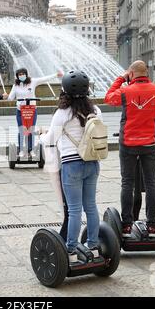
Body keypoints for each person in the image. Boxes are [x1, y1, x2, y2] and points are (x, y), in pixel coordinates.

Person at [39, 71, 102, 264]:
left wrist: (41, 135)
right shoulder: (96, 110)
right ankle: (94, 246)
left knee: (74, 210)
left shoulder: (63, 113)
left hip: (71, 164)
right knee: (90, 206)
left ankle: (71, 250)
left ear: (64, 90)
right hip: (92, 162)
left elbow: (51, 139)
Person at [104, 60, 155, 238]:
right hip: (149, 144)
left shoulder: (124, 91)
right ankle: (153, 224)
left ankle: (126, 224)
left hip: (129, 144)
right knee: (150, 183)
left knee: (127, 183)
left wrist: (121, 79)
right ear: (146, 72)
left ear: (131, 74)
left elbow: (108, 97)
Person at [8, 68, 63, 158]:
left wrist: (56, 75)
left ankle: (31, 150)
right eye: (19, 74)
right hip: (20, 111)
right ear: (17, 76)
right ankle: (21, 150)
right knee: (22, 130)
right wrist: (7, 96)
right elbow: (11, 97)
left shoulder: (33, 81)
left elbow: (44, 79)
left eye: (23, 74)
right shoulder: (16, 85)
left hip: (31, 110)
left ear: (26, 74)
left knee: (31, 130)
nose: (21, 76)